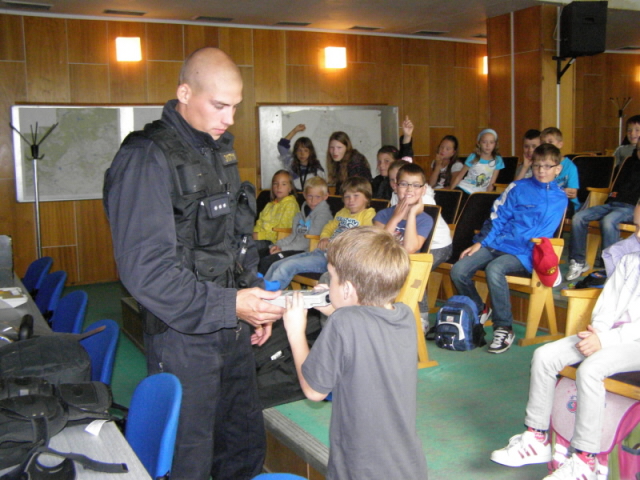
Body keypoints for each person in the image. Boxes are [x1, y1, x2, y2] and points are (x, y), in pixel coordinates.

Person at [103, 47, 285, 480]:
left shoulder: (216, 150)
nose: (230, 118)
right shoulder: (146, 157)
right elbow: (146, 271)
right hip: (183, 338)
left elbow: (231, 242)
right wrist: (232, 305)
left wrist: (251, 301)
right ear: (184, 92)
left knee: (241, 447)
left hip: (233, 330)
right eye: (219, 105)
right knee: (190, 459)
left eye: (235, 107)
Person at [490, 221, 640, 480]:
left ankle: (586, 460)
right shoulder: (630, 258)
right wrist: (599, 331)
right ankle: (537, 438)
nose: (638, 234)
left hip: (632, 342)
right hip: (609, 336)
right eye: (637, 226)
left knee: (592, 369)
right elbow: (609, 302)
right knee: (545, 356)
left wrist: (606, 341)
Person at [282, 226, 428, 480]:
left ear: (348, 289)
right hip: (407, 464)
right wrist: (334, 306)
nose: (327, 283)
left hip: (360, 466)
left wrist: (295, 332)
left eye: (331, 278)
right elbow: (365, 326)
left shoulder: (344, 324)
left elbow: (314, 391)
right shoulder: (404, 314)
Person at [450, 143, 567, 353]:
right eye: (537, 165)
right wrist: (481, 243)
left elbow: (544, 234)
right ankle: (479, 307)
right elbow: (499, 217)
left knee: (495, 269)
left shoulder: (560, 197)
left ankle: (503, 327)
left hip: (526, 252)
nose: (541, 170)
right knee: (458, 270)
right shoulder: (518, 187)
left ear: (558, 169)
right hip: (498, 243)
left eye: (548, 166)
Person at [263, 176, 375, 290]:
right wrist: (325, 237)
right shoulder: (342, 212)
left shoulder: (368, 215)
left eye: (356, 196)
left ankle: (270, 296)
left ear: (367, 197)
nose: (351, 200)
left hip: (334, 260)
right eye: (347, 196)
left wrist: (336, 244)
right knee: (277, 264)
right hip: (320, 252)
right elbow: (328, 227)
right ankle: (260, 291)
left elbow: (363, 237)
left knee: (288, 266)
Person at [566, 140, 640, 281]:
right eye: (639, 149)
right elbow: (616, 186)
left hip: (631, 208)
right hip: (613, 203)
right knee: (579, 217)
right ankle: (578, 261)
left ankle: (610, 268)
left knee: (608, 221)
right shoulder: (629, 162)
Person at [258, 176, 333, 275]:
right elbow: (292, 236)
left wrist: (283, 249)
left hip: (307, 251)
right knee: (260, 254)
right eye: (310, 196)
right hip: (293, 248)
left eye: (317, 197)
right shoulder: (299, 215)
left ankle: (262, 288)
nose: (313, 200)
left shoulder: (323, 215)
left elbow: (307, 242)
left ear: (325, 196)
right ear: (305, 195)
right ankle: (250, 286)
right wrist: (277, 245)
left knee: (267, 261)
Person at [389, 162, 452, 268]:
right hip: (407, 242)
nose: (394, 183)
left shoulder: (424, 199)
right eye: (392, 180)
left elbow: (420, 234)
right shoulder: (395, 196)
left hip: (436, 245)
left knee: (410, 271)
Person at [374, 163, 433, 254]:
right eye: (403, 184)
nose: (409, 189)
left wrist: (412, 214)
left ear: (423, 190)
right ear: (395, 187)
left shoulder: (426, 220)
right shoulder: (382, 215)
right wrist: (395, 218)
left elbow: (409, 249)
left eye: (416, 185)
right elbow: (379, 246)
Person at [253, 169, 300, 257]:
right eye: (275, 184)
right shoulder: (269, 205)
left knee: (246, 248)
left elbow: (284, 231)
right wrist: (253, 234)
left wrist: (259, 236)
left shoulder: (291, 205)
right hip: (260, 239)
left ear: (290, 188)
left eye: (284, 184)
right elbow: (259, 223)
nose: (279, 187)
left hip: (274, 242)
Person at [450, 128, 504, 199]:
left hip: (480, 193)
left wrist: (486, 197)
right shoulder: (473, 157)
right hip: (465, 188)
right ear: (479, 143)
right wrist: (451, 192)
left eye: (491, 142)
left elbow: (491, 183)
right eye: (484, 142)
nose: (488, 145)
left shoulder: (497, 160)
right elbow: (459, 176)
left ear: (495, 144)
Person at [371, 116, 415, 200]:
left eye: (387, 161)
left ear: (396, 162)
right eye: (379, 161)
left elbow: (406, 154)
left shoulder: (400, 181)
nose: (381, 165)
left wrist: (407, 136)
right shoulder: (376, 181)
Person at [541, 127, 580, 216]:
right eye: (543, 143)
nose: (546, 145)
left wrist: (554, 191)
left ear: (560, 144)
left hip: (567, 203)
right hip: (546, 199)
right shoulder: (540, 165)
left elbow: (572, 193)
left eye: (550, 142)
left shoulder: (570, 167)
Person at [277, 124, 325, 190]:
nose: (302, 154)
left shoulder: (316, 168)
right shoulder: (291, 163)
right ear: (295, 152)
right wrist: (295, 131)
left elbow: (322, 188)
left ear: (311, 152)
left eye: (306, 151)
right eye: (299, 150)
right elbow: (282, 145)